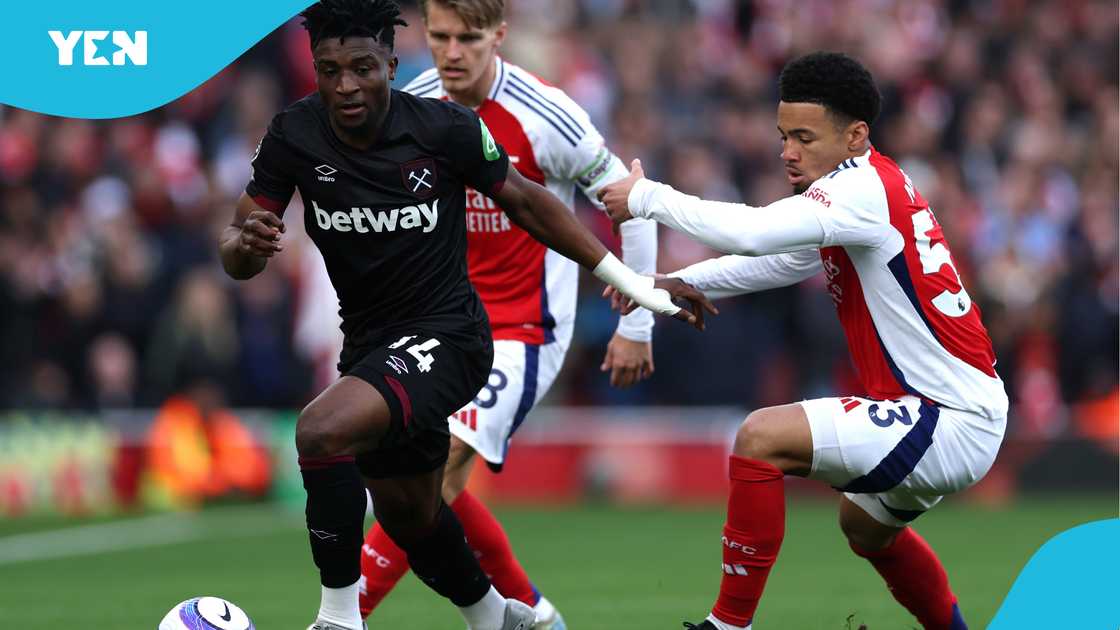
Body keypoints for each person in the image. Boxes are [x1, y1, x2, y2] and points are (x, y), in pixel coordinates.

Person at [217, 1, 712, 629]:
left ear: (391, 66)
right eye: (329, 70)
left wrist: (634, 293)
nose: (346, 85)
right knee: (412, 511)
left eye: (362, 68)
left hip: (471, 334)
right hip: (373, 345)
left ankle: (340, 617)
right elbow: (237, 244)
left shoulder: (450, 125)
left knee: (321, 432)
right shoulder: (294, 133)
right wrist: (245, 247)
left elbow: (535, 205)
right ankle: (498, 616)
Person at [599, 52, 1007, 630]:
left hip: (948, 417)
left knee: (760, 437)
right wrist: (683, 281)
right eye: (783, 134)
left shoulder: (859, 190)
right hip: (962, 412)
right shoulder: (872, 184)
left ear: (855, 136)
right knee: (863, 528)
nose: (787, 151)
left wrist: (646, 198)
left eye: (804, 137)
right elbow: (786, 260)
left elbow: (749, 230)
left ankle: (726, 626)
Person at [358, 1, 658, 627]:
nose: (452, 53)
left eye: (468, 38)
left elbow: (632, 205)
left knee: (435, 472)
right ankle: (531, 615)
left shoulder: (548, 116)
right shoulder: (409, 104)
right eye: (439, 37)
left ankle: (341, 616)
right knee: (422, 480)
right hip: (441, 322)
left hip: (526, 327)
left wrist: (636, 323)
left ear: (499, 35)